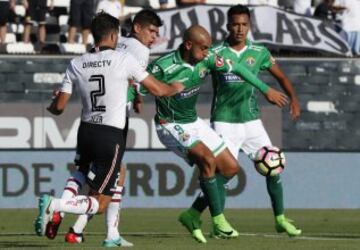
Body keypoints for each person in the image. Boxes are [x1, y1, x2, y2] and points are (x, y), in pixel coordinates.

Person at [34, 11, 184, 247]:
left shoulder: (76, 62)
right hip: (111, 133)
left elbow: (59, 107)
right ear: (115, 35)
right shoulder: (126, 59)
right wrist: (175, 87)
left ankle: (81, 226)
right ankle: (58, 206)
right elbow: (159, 90)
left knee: (83, 173)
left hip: (86, 130)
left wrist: (51, 105)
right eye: (152, 31)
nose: (154, 37)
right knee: (101, 202)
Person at [150, 25, 288, 243]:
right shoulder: (163, 66)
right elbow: (135, 85)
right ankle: (219, 221)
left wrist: (265, 89)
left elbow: (239, 69)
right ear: (188, 45)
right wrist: (132, 99)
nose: (208, 53)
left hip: (193, 121)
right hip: (170, 124)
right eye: (204, 48)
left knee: (231, 168)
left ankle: (192, 215)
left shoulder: (208, 58)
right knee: (206, 158)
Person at [180, 4, 302, 238]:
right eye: (235, 24)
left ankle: (280, 219)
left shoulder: (259, 52)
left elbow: (282, 77)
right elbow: (194, 71)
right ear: (227, 25)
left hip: (252, 121)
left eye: (244, 24)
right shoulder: (215, 53)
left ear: (250, 26)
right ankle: (206, 218)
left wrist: (294, 100)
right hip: (225, 122)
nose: (240, 29)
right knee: (223, 175)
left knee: (273, 166)